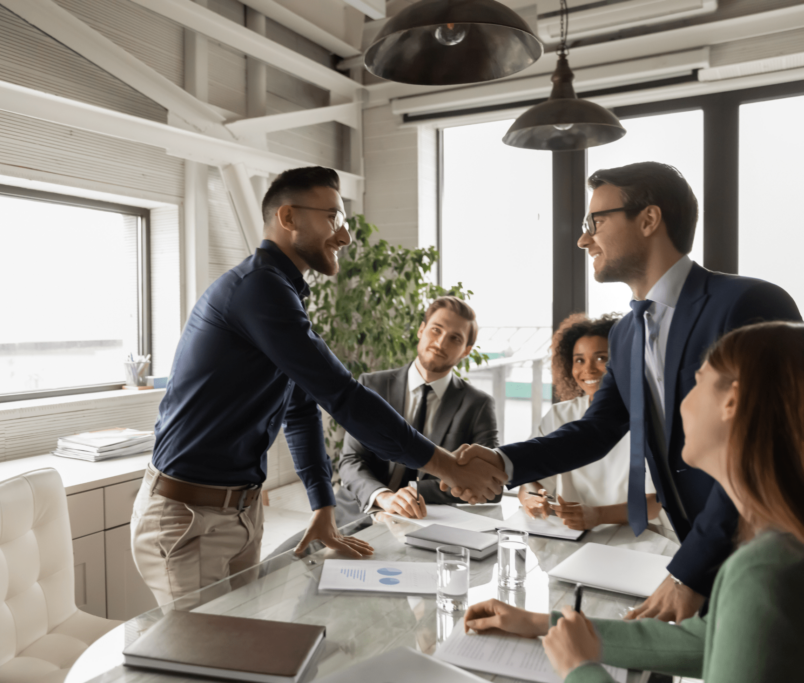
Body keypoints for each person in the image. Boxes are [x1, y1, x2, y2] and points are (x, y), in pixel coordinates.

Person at [130, 166, 505, 606]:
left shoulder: (283, 293)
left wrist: (323, 507)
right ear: (289, 218)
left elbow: (301, 408)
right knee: (199, 663)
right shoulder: (258, 289)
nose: (345, 236)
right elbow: (342, 395)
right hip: (190, 516)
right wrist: (451, 467)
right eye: (334, 219)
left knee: (241, 645)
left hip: (240, 513)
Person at [460, 161, 800, 622]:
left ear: (648, 219)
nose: (583, 239)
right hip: (689, 548)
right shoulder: (625, 335)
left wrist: (690, 571)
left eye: (595, 222)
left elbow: (765, 448)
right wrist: (503, 463)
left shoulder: (747, 303)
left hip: (764, 558)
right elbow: (596, 429)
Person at [463, 321, 804, 683]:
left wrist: (580, 669)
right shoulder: (777, 550)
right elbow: (702, 643)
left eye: (697, 381)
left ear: (732, 400)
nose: (680, 401)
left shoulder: (762, 572)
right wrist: (537, 623)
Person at [338, 295, 500, 524]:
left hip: (429, 522)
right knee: (288, 558)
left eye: (455, 338)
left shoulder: (478, 405)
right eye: (436, 330)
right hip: (361, 508)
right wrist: (383, 497)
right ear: (421, 330)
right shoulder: (372, 385)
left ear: (466, 351)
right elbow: (351, 460)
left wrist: (412, 491)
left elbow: (489, 485)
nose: (441, 342)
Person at [518, 313, 661, 530]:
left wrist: (597, 515)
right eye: (579, 360)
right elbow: (529, 479)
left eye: (602, 358)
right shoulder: (559, 415)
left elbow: (653, 504)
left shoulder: (648, 418)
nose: (589, 369)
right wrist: (531, 498)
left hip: (636, 536)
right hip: (570, 535)